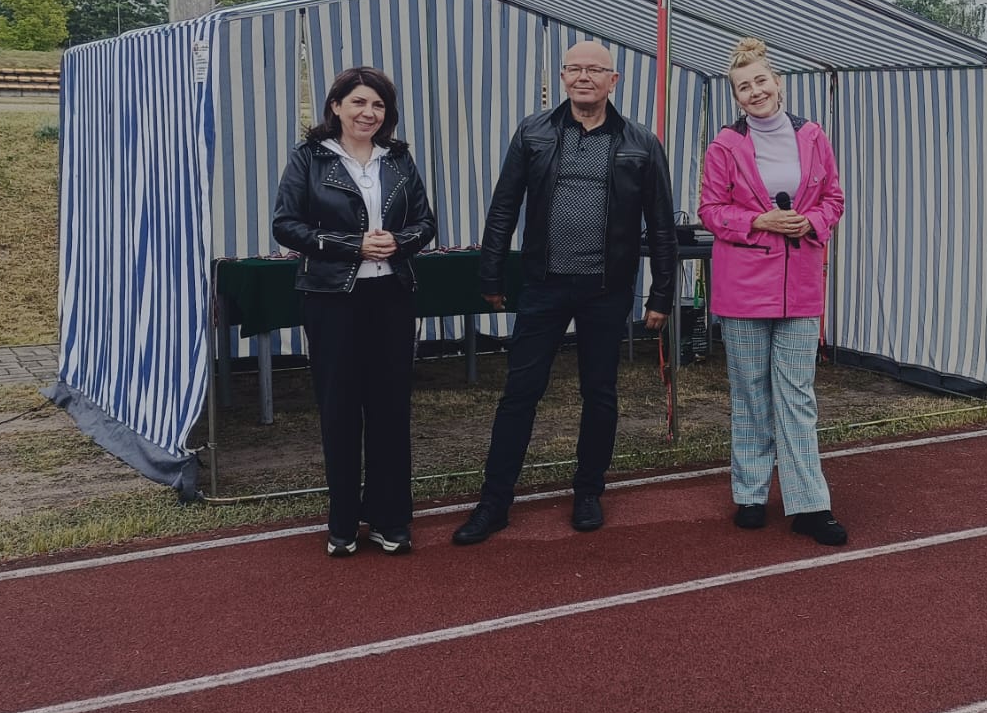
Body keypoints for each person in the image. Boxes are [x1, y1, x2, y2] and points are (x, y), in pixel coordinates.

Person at [452, 41, 677, 544]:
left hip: (606, 290)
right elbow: (503, 208)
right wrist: (491, 275)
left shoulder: (641, 142)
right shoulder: (533, 132)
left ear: (613, 80)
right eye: (574, 69)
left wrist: (662, 293)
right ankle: (494, 502)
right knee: (520, 393)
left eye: (594, 70)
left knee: (599, 393)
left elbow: (661, 224)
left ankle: (588, 492)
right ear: (562, 76)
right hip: (543, 286)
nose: (583, 77)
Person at [271, 66, 436, 557]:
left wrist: (399, 241)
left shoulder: (399, 158)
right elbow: (286, 225)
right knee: (340, 409)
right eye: (359, 102)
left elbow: (425, 222)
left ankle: (390, 519)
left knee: (391, 409)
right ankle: (342, 523)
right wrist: (352, 245)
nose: (369, 113)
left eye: (378, 105)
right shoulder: (309, 158)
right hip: (332, 300)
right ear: (336, 106)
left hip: (392, 297)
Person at [699, 38, 850, 545]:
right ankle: (750, 494)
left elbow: (833, 198)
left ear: (778, 83)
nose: (755, 91)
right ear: (736, 97)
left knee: (797, 395)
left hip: (800, 286)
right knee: (750, 393)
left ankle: (810, 503)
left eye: (761, 80)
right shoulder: (724, 145)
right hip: (743, 288)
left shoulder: (813, 135)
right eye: (744, 86)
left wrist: (810, 222)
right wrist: (758, 220)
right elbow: (710, 210)